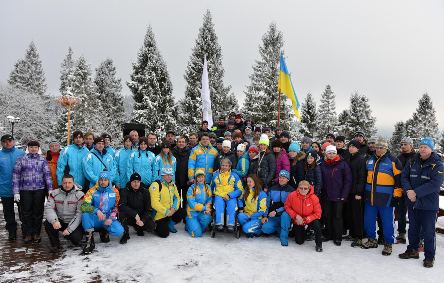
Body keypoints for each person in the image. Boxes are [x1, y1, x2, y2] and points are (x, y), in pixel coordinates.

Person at [399, 137, 444, 268]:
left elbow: (435, 184)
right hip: (413, 202)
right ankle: (412, 250)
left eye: (426, 147)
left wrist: (415, 193)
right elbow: (404, 177)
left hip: (429, 205)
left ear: (431, 149)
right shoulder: (413, 161)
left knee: (429, 232)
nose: (423, 149)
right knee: (413, 228)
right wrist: (408, 191)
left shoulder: (438, 165)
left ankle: (429, 257)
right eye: (421, 146)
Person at [361, 137, 402, 256]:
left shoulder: (393, 160)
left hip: (386, 198)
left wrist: (397, 195)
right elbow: (365, 177)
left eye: (381, 147)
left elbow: (399, 179)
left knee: (387, 222)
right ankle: (371, 239)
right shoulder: (370, 159)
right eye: (377, 147)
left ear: (386, 148)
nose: (378, 149)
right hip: (370, 196)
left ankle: (388, 243)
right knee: (368, 220)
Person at [13, 140, 53, 243]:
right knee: (26, 212)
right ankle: (27, 233)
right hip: (25, 190)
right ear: (28, 148)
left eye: (35, 147)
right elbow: (16, 176)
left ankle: (36, 233)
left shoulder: (42, 160)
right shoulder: (21, 159)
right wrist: (16, 192)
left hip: (39, 190)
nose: (33, 149)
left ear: (38, 148)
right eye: (31, 147)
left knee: (38, 212)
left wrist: (50, 189)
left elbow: (47, 175)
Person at [81, 171, 124, 254]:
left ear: (109, 181)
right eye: (101, 180)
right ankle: (89, 241)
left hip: (107, 218)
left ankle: (104, 230)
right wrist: (96, 211)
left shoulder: (115, 191)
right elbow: (84, 205)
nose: (102, 182)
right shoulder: (92, 190)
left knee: (119, 231)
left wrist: (111, 218)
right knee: (85, 214)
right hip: (96, 217)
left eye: (105, 180)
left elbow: (116, 207)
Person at [320, 145, 352, 246]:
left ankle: (337, 237)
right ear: (326, 153)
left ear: (336, 153)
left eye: (333, 153)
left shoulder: (343, 164)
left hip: (339, 195)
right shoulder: (322, 164)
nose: (331, 155)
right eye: (329, 153)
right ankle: (329, 234)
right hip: (326, 195)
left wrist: (344, 195)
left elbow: (348, 181)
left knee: (337, 216)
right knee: (327, 215)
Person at [44, 174, 84, 252]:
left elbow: (79, 214)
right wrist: (54, 220)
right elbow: (49, 208)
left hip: (72, 222)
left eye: (69, 182)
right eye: (65, 183)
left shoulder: (80, 195)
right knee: (48, 223)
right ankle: (55, 245)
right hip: (60, 221)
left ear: (73, 183)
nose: (67, 185)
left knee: (76, 240)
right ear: (62, 183)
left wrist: (70, 229)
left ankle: (70, 235)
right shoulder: (54, 193)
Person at [281, 180, 323, 251]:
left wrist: (306, 219)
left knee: (317, 223)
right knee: (299, 241)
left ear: (309, 189)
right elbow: (287, 206)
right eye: (301, 188)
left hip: (309, 219)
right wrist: (296, 216)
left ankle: (319, 244)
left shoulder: (314, 198)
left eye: (305, 188)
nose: (303, 190)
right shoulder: (292, 195)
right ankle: (303, 232)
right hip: (298, 220)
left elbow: (318, 213)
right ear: (298, 188)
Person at [0, 134, 25, 241]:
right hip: (5, 189)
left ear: (14, 142)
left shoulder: (21, 153)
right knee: (8, 212)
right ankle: (12, 231)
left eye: (9, 141)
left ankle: (26, 229)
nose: (7, 143)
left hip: (21, 188)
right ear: (1, 143)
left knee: (23, 211)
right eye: (5, 141)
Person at [119, 173, 156, 244]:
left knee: (151, 226)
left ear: (140, 182)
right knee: (122, 213)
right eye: (134, 181)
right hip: (131, 215)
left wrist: (143, 220)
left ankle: (139, 227)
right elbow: (122, 205)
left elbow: (148, 209)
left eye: (138, 182)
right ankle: (126, 233)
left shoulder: (145, 191)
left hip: (141, 216)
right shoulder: (125, 190)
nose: (136, 184)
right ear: (130, 182)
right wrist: (134, 214)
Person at [150, 168, 185, 238]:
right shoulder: (155, 185)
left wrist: (174, 208)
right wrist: (166, 212)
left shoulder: (172, 184)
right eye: (167, 175)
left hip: (170, 211)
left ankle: (170, 224)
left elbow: (177, 198)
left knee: (182, 211)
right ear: (162, 175)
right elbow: (154, 203)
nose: (169, 177)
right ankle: (156, 226)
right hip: (160, 214)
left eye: (170, 175)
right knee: (164, 234)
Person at [261, 170, 294, 244]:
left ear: (288, 179)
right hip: (273, 216)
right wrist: (265, 216)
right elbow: (267, 204)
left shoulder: (291, 190)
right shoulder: (272, 189)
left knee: (285, 215)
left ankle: (284, 238)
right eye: (280, 177)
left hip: (284, 215)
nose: (281, 179)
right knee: (265, 229)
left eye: (284, 178)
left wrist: (277, 211)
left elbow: (289, 206)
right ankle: (279, 228)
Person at [211, 158, 244, 231]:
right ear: (220, 166)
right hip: (219, 195)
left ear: (229, 167)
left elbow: (240, 189)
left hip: (231, 195)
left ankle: (231, 224)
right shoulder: (215, 175)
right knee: (219, 205)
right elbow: (211, 187)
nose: (224, 167)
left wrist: (230, 195)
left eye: (226, 165)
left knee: (232, 205)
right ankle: (219, 223)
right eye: (223, 165)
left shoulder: (235, 176)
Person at [345, 140, 367, 247]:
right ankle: (353, 234)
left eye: (353, 146)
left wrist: (359, 192)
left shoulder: (360, 159)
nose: (351, 148)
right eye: (350, 146)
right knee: (350, 214)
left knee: (358, 215)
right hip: (349, 191)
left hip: (356, 192)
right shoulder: (349, 158)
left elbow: (362, 176)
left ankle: (359, 236)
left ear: (358, 148)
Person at [395, 136, 416, 244]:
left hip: (414, 191)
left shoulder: (416, 157)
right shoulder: (399, 157)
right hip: (401, 190)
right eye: (402, 144)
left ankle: (415, 235)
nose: (403, 146)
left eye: (405, 144)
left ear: (411, 146)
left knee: (414, 213)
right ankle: (401, 233)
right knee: (401, 213)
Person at [185, 169, 212, 237]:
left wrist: (207, 209)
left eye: (202, 177)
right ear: (196, 178)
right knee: (197, 234)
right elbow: (192, 204)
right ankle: (189, 224)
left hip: (202, 212)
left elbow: (209, 200)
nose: (201, 179)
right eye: (198, 177)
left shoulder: (207, 187)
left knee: (208, 217)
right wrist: (204, 208)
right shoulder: (191, 188)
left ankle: (196, 227)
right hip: (192, 213)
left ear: (204, 178)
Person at [173, 136, 191, 211]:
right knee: (176, 197)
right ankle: (176, 213)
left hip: (186, 177)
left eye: (183, 142)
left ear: (186, 143)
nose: (181, 143)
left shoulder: (190, 152)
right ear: (177, 143)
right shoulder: (173, 152)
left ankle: (184, 213)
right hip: (175, 178)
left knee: (185, 197)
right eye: (179, 142)